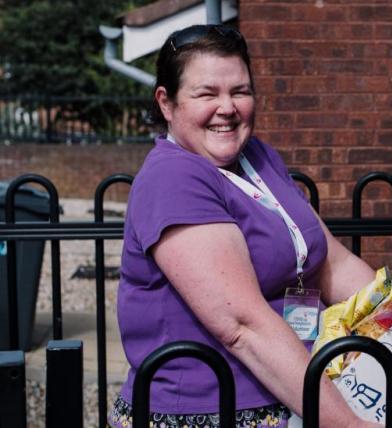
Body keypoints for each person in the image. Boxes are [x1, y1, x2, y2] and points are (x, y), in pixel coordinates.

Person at [109, 24, 377, 428]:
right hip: (211, 412)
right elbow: (242, 327)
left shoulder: (258, 157)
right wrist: (347, 425)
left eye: (240, 91)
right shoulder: (173, 178)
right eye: (207, 93)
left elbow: (331, 264)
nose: (228, 108)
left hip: (295, 397)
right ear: (166, 103)